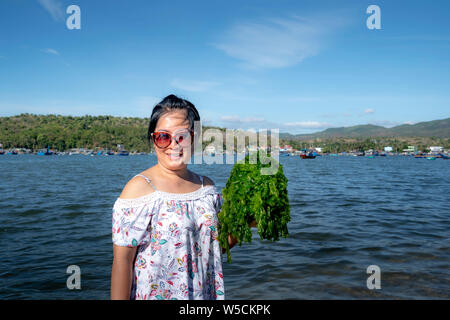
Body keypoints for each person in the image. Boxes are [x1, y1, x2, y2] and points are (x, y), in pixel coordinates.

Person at [110, 94, 253, 300]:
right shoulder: (139, 189)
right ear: (153, 139)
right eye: (163, 136)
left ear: (194, 138)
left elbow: (214, 248)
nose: (174, 145)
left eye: (182, 136)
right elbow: (122, 262)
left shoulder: (207, 187)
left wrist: (245, 223)